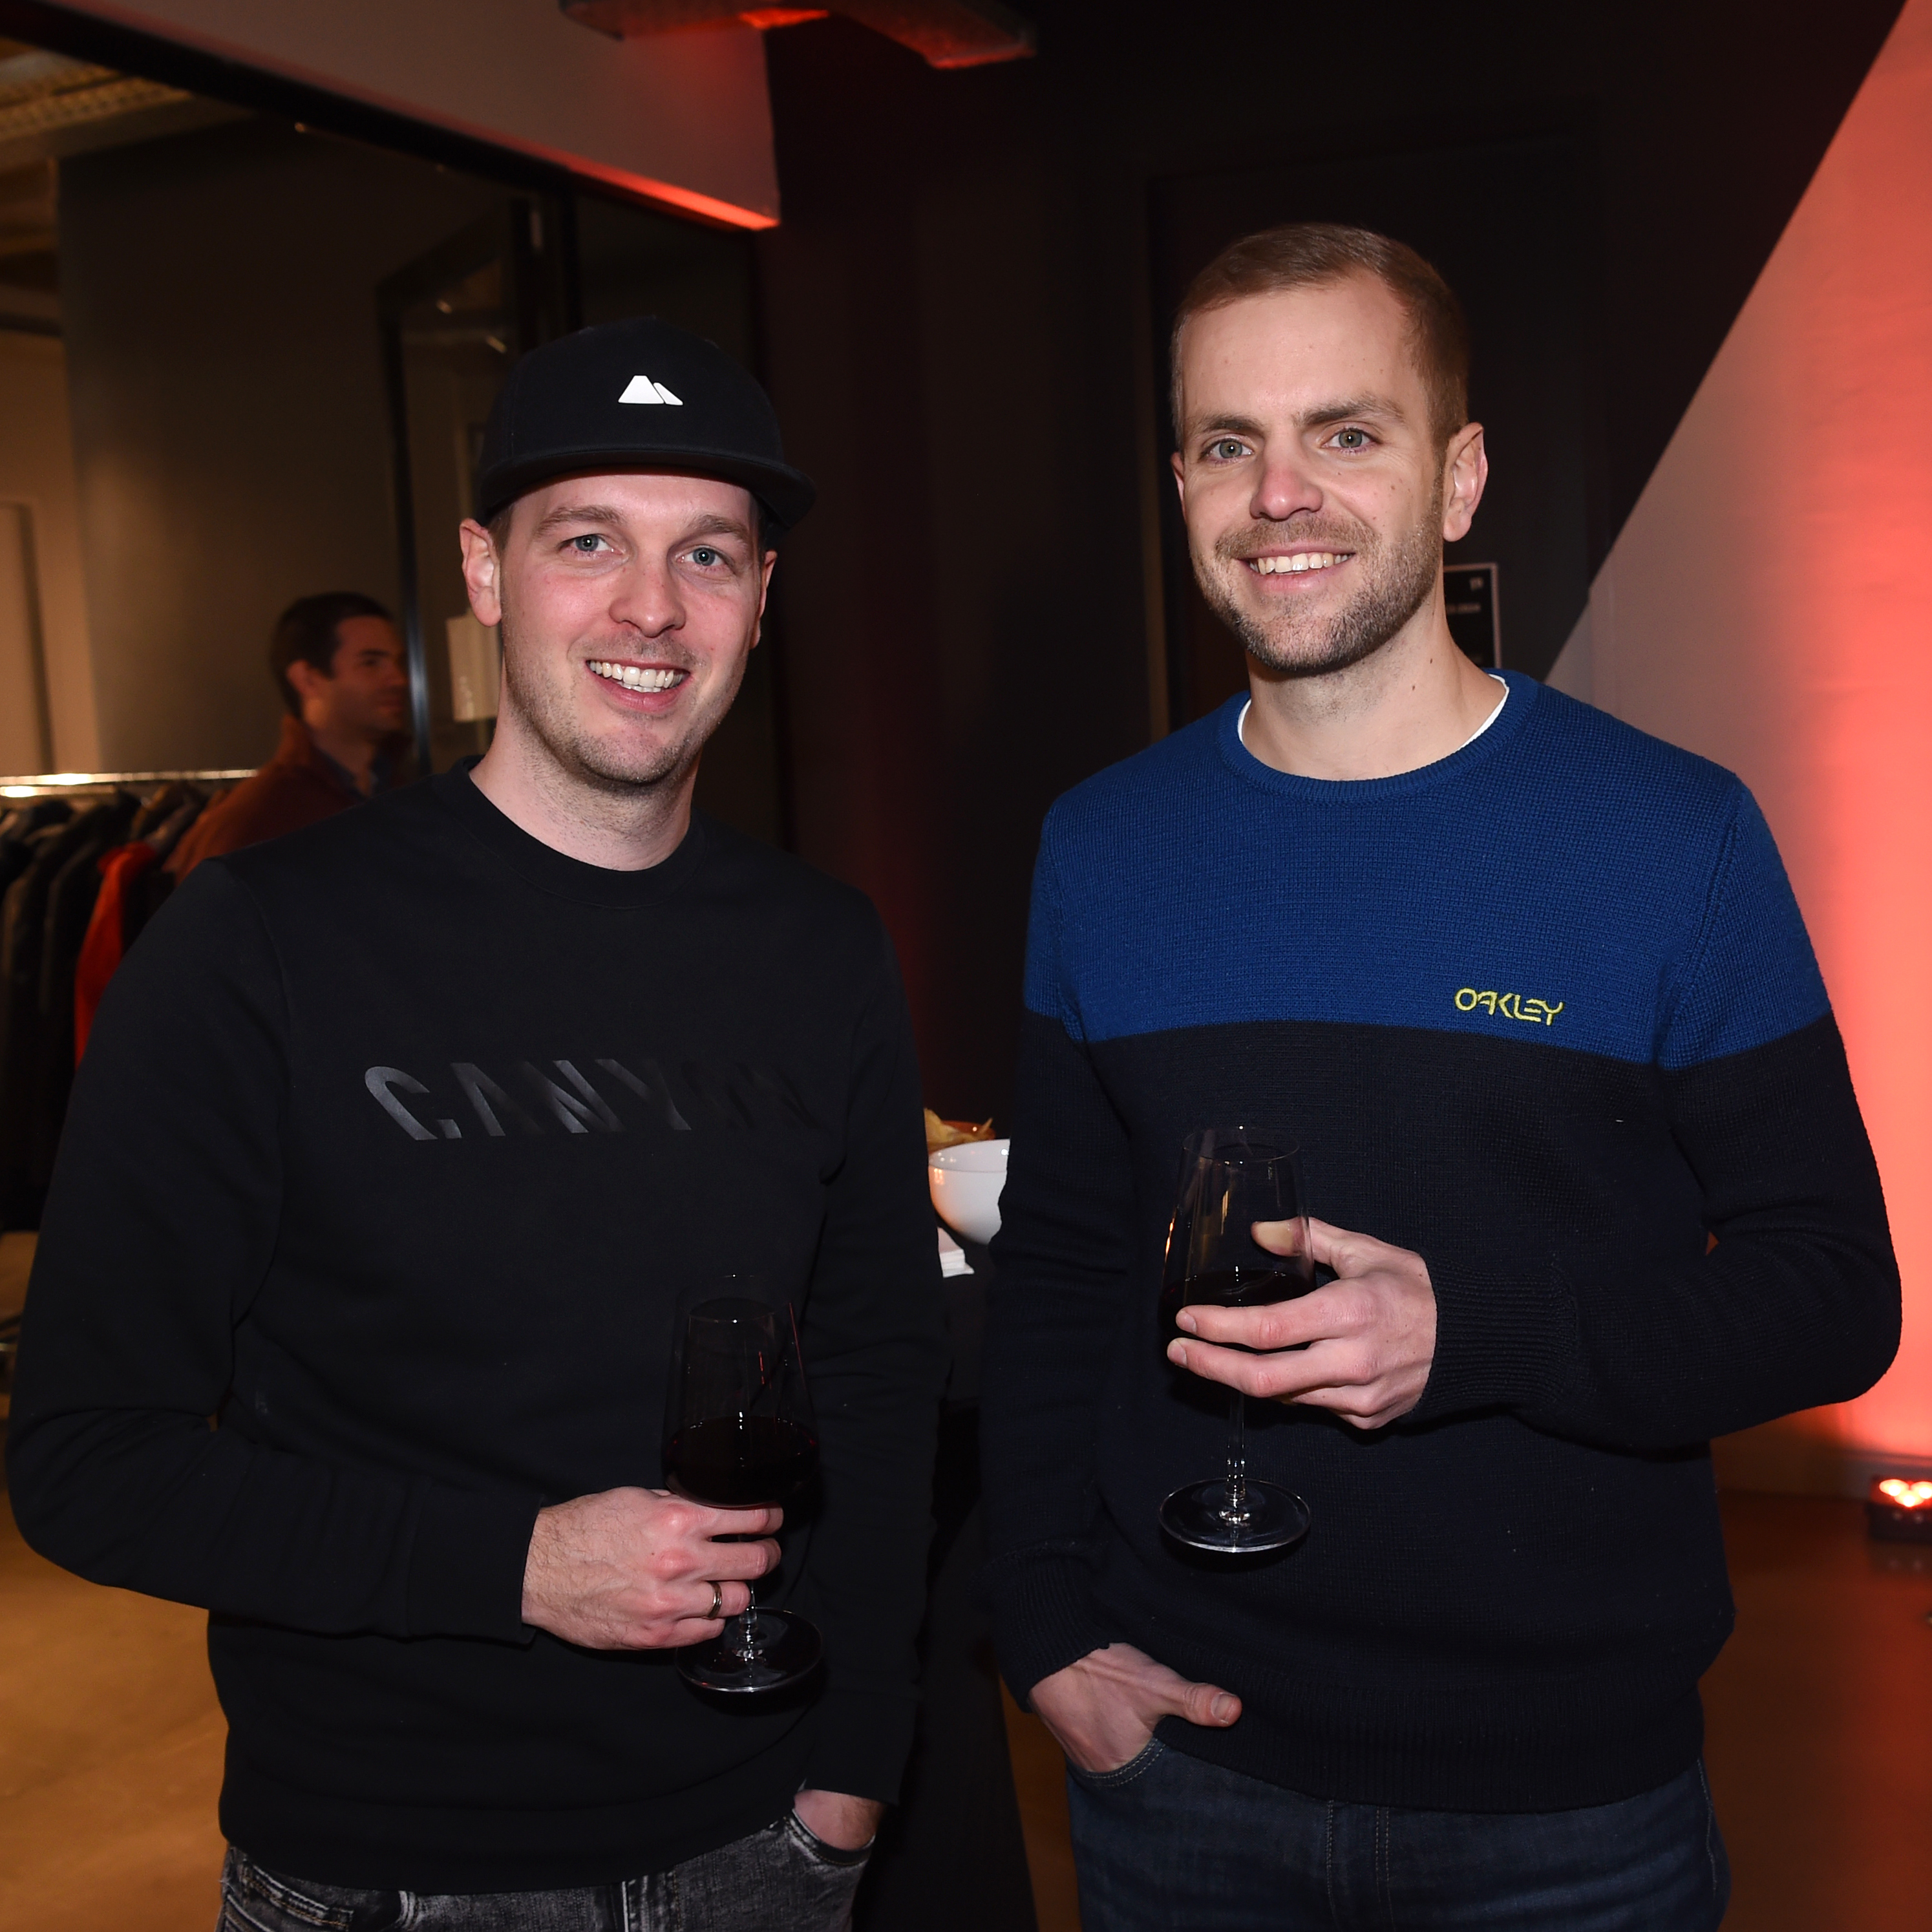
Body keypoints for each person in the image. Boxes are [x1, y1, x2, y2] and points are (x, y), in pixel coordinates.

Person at [980, 223, 1900, 1930]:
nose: (1280, 494)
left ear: (1459, 476)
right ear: (1179, 485)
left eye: (1345, 431)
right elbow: (1058, 1270)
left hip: (1566, 1810)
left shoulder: (1671, 836)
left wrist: (1474, 1336)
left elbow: (1834, 1290)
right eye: (1227, 443)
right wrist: (1037, 1625)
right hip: (1180, 1775)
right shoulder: (1100, 847)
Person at [10, 317, 947, 1931]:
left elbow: (875, 1377)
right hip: (387, 1869)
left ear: (761, 597)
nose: (652, 606)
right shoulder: (258, 942)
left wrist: (855, 1766)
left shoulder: (825, 947)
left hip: (762, 1842)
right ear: (484, 571)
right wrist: (513, 1564)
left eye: (708, 554)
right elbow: (87, 1461)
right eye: (589, 541)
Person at [169, 591, 412, 879]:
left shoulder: (403, 793)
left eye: (398, 662)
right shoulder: (258, 820)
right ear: (307, 679)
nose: (399, 680)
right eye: (371, 663)